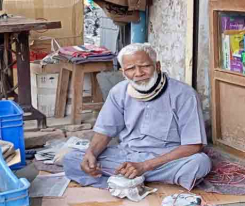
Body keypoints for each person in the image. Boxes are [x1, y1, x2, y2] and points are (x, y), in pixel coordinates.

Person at [63, 43, 212, 191]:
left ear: (157, 66)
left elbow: (193, 145)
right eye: (130, 69)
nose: (138, 73)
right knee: (73, 158)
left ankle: (125, 180)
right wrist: (91, 153)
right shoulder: (118, 92)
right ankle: (135, 181)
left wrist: (145, 166)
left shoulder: (184, 94)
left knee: (200, 163)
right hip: (127, 155)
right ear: (123, 72)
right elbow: (105, 131)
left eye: (145, 66)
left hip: (166, 158)